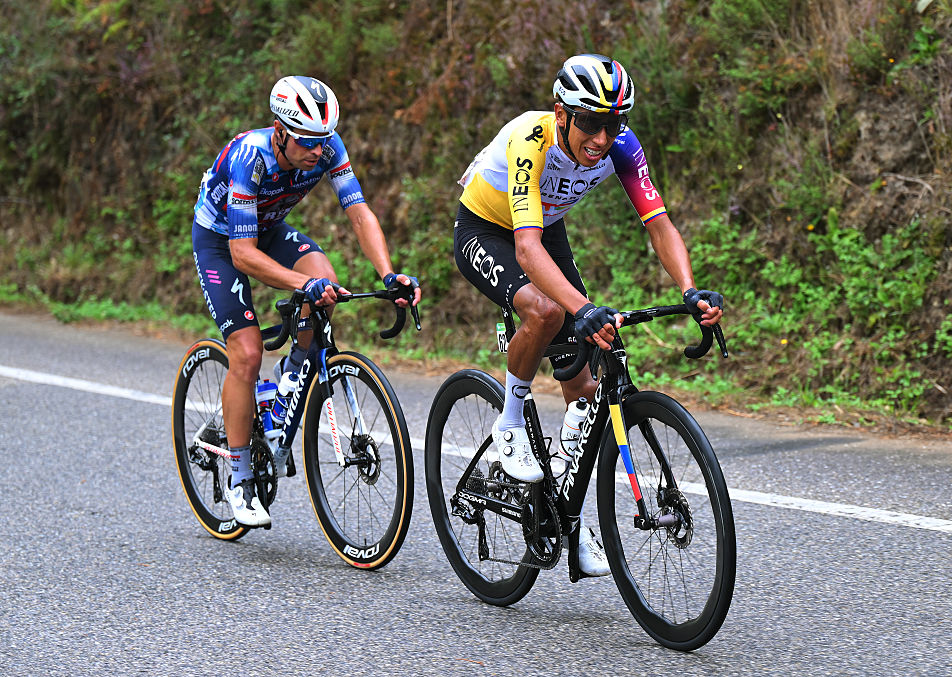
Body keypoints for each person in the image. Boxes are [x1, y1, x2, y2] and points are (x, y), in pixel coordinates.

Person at [453, 54, 724, 577]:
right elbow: (528, 253)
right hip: (487, 228)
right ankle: (510, 421)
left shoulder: (621, 146)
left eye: (614, 123)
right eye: (592, 122)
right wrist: (582, 307)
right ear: (562, 114)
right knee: (546, 311)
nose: (602, 137)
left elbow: (659, 223)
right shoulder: (531, 139)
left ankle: (563, 515)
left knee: (587, 374)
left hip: (543, 225)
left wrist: (689, 290)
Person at [191, 75, 420, 528]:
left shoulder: (329, 147)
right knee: (248, 352)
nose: (318, 151)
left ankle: (286, 383)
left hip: (269, 229)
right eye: (306, 142)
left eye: (323, 139)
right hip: (221, 241)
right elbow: (242, 253)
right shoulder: (249, 157)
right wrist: (300, 284)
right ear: (279, 132)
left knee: (326, 284)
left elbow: (359, 215)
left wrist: (387, 274)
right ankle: (239, 479)